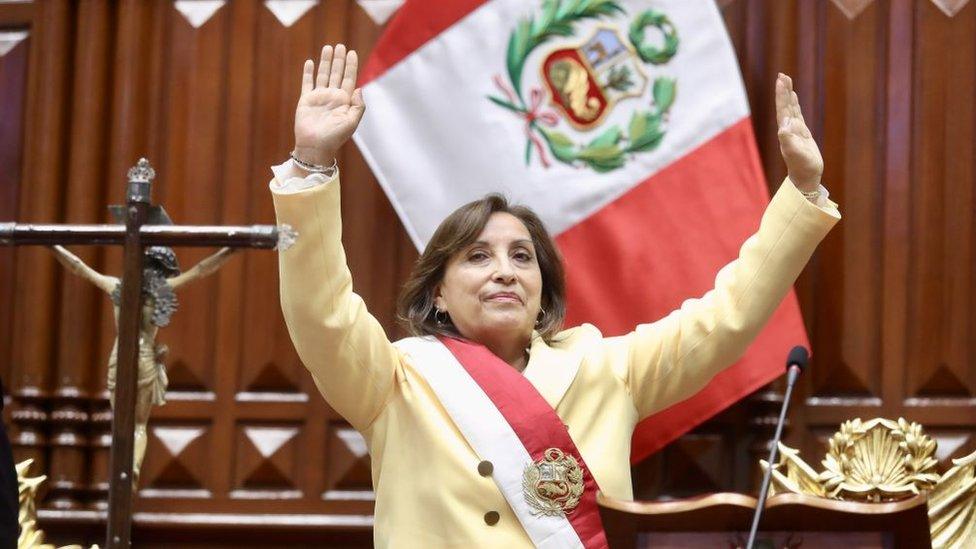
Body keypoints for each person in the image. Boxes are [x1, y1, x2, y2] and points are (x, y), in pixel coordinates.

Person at [270, 44, 839, 548]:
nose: (504, 272)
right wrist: (311, 164)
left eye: (522, 257)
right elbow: (323, 311)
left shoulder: (606, 369)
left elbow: (728, 317)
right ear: (437, 293)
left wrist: (802, 191)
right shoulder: (394, 379)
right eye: (477, 256)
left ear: (543, 294)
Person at [49, 245, 236, 486]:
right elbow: (201, 270)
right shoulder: (162, 290)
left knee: (120, 422)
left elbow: (78, 267)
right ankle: (133, 465)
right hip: (145, 356)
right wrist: (231, 251)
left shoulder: (116, 286)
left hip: (121, 355)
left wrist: (51, 245)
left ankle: (121, 470)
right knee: (138, 424)